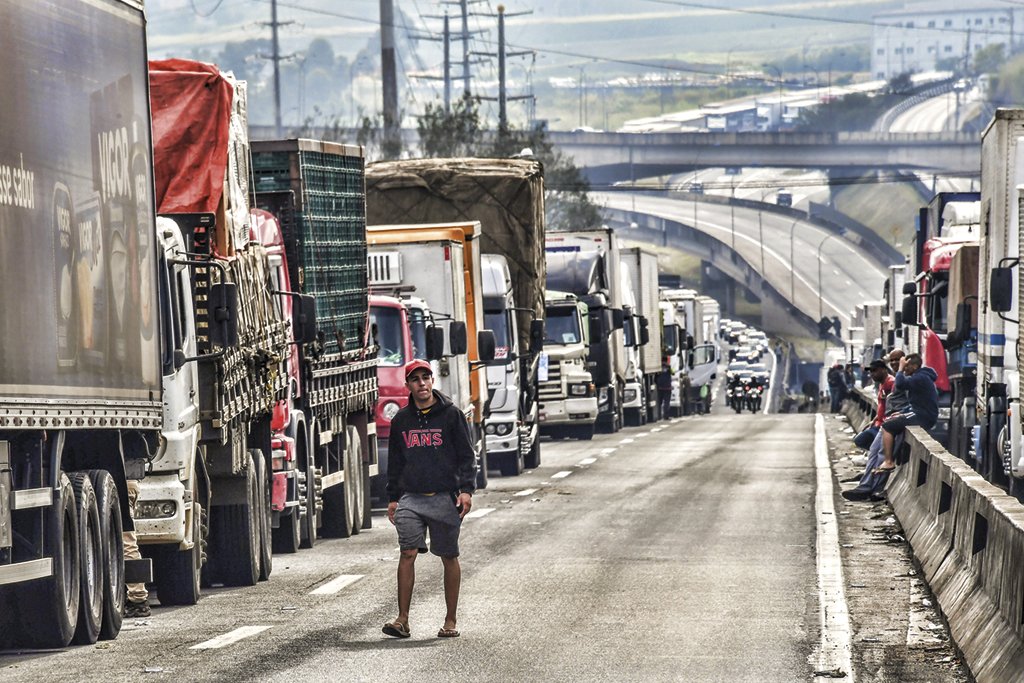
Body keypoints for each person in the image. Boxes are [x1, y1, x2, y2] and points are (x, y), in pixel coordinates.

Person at [383, 359, 476, 640]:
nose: (421, 383)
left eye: (425, 378)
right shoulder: (401, 420)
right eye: (415, 379)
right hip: (411, 498)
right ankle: (402, 620)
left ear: (432, 381)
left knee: (448, 556)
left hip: (444, 497)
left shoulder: (451, 416)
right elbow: (395, 462)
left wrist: (466, 490)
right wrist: (393, 498)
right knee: (408, 552)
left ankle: (450, 620)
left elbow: (467, 456)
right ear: (408, 385)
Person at [874, 352, 938, 474]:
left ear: (914, 366)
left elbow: (900, 384)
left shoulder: (920, 378)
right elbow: (915, 402)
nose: (905, 369)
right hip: (920, 413)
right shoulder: (921, 376)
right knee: (893, 420)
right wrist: (902, 413)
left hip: (923, 416)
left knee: (887, 426)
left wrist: (900, 369)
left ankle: (888, 461)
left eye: (907, 366)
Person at [124, 479, 151, 618]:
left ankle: (138, 599)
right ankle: (137, 599)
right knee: (126, 543)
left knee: (125, 544)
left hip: (122, 485)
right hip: (129, 484)